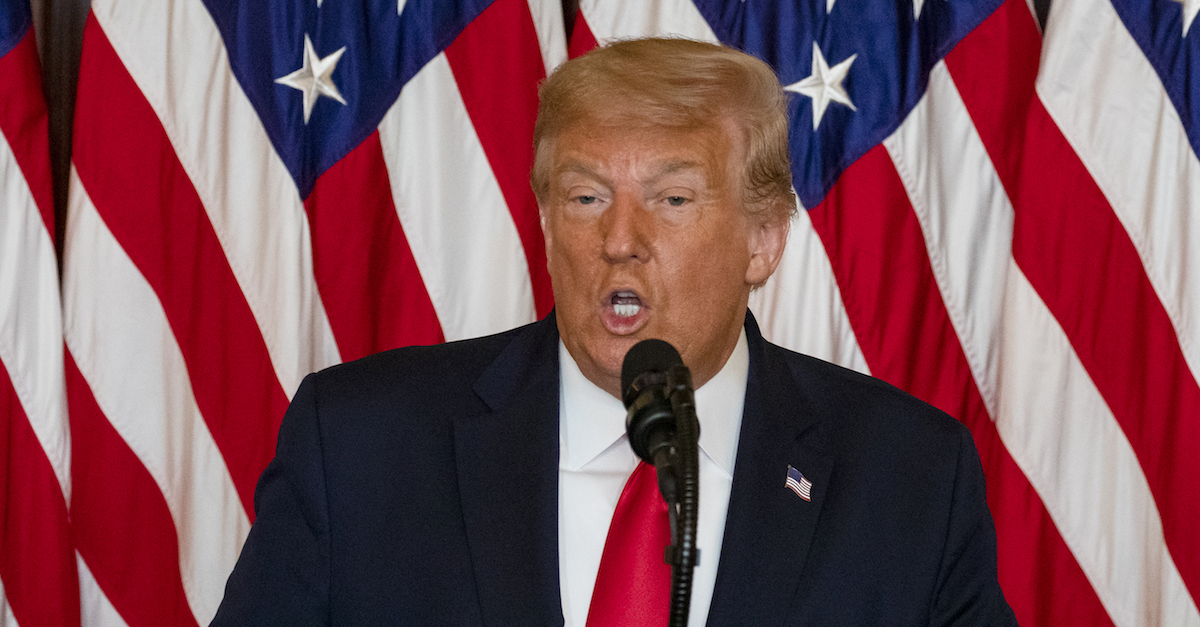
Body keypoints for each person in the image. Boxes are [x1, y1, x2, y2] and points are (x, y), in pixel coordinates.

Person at [211, 38, 1016, 626]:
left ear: (764, 238)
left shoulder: (908, 479)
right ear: (545, 217)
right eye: (587, 196)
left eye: (672, 200)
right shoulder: (359, 446)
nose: (621, 239)